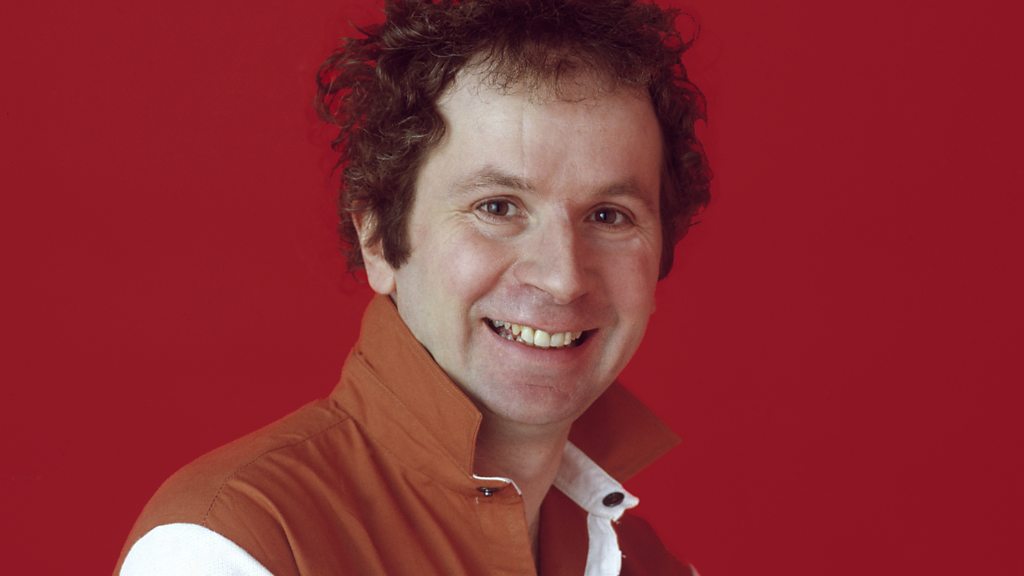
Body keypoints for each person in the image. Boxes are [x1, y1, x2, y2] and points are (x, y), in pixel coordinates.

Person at [114, 0, 711, 574]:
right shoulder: (228, 548)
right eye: (498, 207)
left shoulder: (650, 566)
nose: (562, 278)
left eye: (609, 216)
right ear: (378, 238)